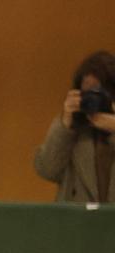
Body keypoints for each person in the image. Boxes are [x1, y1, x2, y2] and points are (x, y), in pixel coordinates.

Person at [33, 51, 115, 203]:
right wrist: (64, 125)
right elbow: (48, 170)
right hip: (78, 222)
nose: (92, 98)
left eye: (98, 92)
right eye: (87, 92)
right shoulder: (72, 131)